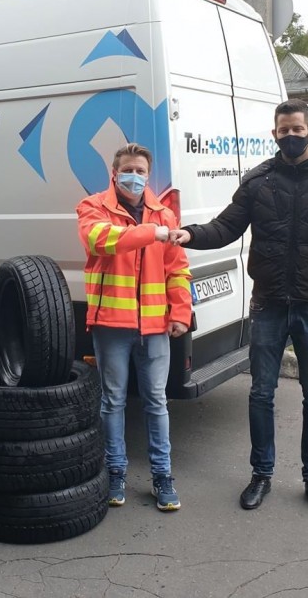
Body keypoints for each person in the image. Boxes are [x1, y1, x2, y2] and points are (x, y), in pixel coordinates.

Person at [169, 98, 308, 517]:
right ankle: (261, 474)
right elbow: (226, 226)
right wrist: (190, 234)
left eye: (297, 130)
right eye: (283, 131)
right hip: (268, 305)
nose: (290, 136)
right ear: (274, 134)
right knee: (261, 393)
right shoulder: (259, 181)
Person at [76, 143, 193, 512]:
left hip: (155, 326)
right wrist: (151, 232)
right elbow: (100, 240)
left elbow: (178, 269)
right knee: (113, 400)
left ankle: (162, 476)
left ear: (148, 174)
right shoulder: (93, 206)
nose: (134, 176)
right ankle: (115, 472)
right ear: (114, 173)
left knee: (157, 401)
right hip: (112, 324)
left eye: (141, 171)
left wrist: (181, 312)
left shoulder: (165, 214)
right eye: (128, 170)